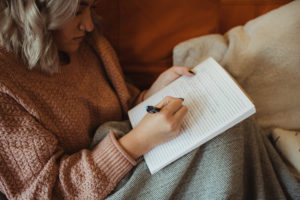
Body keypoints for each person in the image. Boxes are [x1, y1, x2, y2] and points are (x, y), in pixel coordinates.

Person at [0, 0, 299, 200]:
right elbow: (47, 193)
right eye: (77, 10)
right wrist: (138, 142)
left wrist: (151, 94)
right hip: (100, 190)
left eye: (90, 6)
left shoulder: (87, 44)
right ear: (35, 9)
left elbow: (123, 107)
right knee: (222, 140)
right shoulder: (6, 87)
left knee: (229, 121)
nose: (89, 25)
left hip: (132, 155)